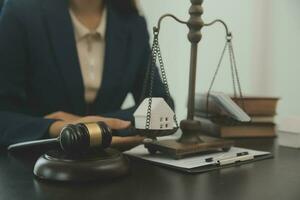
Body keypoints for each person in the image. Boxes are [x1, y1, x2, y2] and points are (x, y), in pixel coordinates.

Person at [0, 0, 169, 147]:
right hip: (31, 166)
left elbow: (161, 103)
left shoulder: (133, 23)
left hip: (109, 163)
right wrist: (56, 128)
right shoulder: (20, 13)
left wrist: (89, 127)